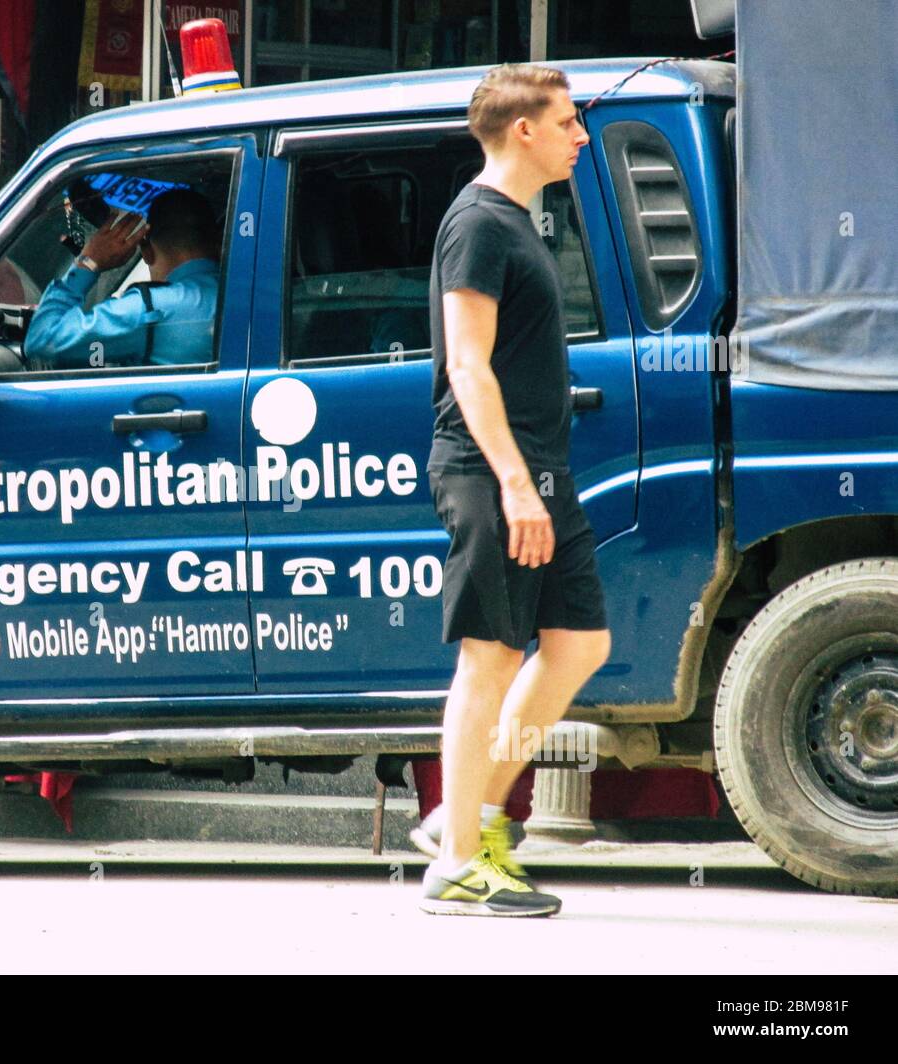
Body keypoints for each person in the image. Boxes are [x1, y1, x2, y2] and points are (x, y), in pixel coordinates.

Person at [417, 64, 611, 917]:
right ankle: (456, 863)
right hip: (490, 468)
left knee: (579, 644)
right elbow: (467, 364)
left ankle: (465, 815)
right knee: (490, 657)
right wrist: (514, 486)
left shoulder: (520, 220)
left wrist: (536, 481)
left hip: (538, 469)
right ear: (523, 130)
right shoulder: (478, 224)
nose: (581, 136)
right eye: (568, 122)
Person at [24, 187, 220, 368]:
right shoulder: (245, 297)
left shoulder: (146, 308)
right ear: (219, 245)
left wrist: (88, 262)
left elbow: (42, 341)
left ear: (146, 251)